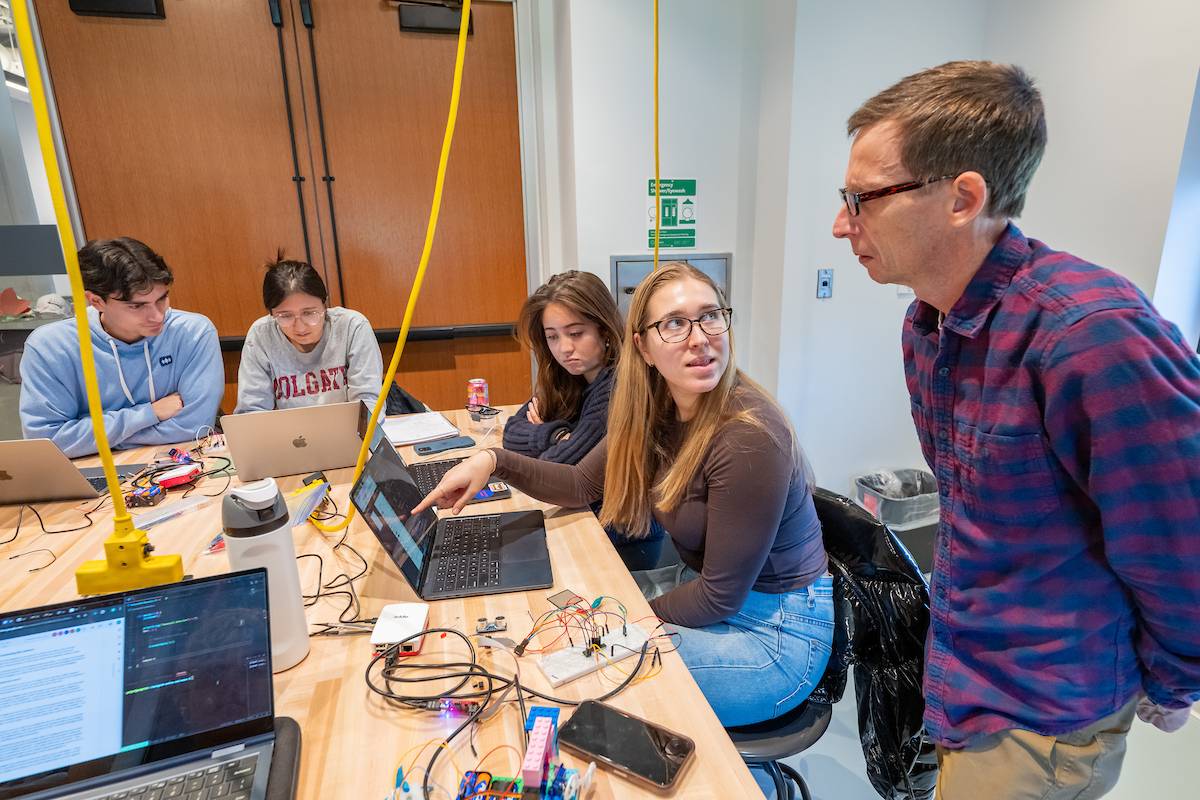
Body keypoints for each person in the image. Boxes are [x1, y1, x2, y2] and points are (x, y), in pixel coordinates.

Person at [832, 60, 1200, 799]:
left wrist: (1174, 678)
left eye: (863, 199)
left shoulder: (1091, 336)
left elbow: (1179, 538)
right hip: (967, 676)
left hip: (1043, 713)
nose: (844, 224)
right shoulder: (929, 326)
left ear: (963, 197)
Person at [417, 262, 834, 731]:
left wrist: (619, 627)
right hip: (721, 605)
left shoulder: (747, 434)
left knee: (568, 676)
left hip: (772, 639)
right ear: (643, 346)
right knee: (557, 646)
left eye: (711, 316)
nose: (699, 338)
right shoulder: (655, 408)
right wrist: (492, 461)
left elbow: (720, 598)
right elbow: (579, 485)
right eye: (674, 324)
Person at [19, 237, 223, 458]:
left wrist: (94, 438)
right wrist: (149, 413)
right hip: (93, 471)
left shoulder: (193, 332)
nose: (157, 315)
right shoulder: (50, 347)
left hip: (178, 460)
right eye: (137, 306)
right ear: (96, 301)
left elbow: (193, 427)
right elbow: (50, 442)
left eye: (162, 298)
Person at [235, 255, 383, 413]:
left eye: (309, 313)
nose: (300, 327)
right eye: (285, 316)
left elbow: (368, 402)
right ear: (271, 313)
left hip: (350, 434)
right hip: (287, 436)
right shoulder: (261, 335)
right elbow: (252, 411)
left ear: (324, 303)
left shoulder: (352, 327)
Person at [503, 270, 620, 465]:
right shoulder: (568, 377)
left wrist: (547, 439)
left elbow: (559, 465)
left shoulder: (616, 386)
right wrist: (557, 437)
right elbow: (511, 433)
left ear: (605, 330)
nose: (564, 349)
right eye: (552, 336)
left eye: (575, 333)